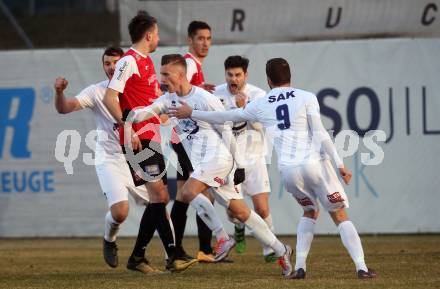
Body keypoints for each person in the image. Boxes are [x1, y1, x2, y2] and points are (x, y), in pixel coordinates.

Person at [169, 58, 378, 279]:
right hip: (314, 165)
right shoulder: (306, 97)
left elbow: (224, 117)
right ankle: (361, 267)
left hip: (289, 172)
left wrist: (192, 112)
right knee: (339, 214)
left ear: (268, 80)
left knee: (309, 212)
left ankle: (299, 267)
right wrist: (340, 164)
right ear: (290, 77)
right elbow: (320, 133)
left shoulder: (261, 103)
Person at [127, 54, 294, 278]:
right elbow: (147, 113)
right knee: (241, 212)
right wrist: (128, 118)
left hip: (219, 159)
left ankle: (223, 237)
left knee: (186, 192)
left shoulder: (204, 98)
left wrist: (239, 165)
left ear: (180, 74)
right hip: (204, 165)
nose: (162, 77)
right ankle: (281, 250)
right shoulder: (168, 100)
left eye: (166, 73)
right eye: (161, 72)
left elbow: (226, 130)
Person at [102, 11, 197, 273]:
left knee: (158, 197)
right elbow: (111, 97)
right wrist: (127, 127)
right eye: (156, 34)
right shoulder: (128, 62)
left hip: (150, 137)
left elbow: (151, 98)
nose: (158, 38)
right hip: (136, 139)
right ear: (148, 35)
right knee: (160, 194)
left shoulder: (145, 62)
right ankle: (173, 255)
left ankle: (137, 257)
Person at [54, 47, 160, 272]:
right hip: (110, 158)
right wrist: (59, 93)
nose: (111, 67)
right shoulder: (97, 92)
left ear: (125, 65)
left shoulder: (136, 89)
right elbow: (64, 108)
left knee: (159, 206)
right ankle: (109, 239)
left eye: (115, 63)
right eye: (107, 63)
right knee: (121, 211)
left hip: (136, 157)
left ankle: (150, 256)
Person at [214, 55, 276, 262]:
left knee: (261, 207)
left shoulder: (259, 95)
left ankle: (270, 248)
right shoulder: (217, 95)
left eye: (238, 75)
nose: (234, 79)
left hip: (255, 157)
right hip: (230, 161)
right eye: (230, 74)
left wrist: (245, 108)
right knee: (235, 213)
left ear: (245, 75)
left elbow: (261, 127)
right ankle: (239, 228)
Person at [170, 20, 216, 263]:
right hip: (186, 138)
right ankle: (205, 250)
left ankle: (178, 250)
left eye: (208, 38)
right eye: (200, 38)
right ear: (190, 40)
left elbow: (190, 93)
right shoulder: (188, 63)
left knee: (182, 193)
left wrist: (204, 89)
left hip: (182, 138)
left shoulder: (194, 65)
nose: (205, 43)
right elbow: (175, 92)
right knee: (202, 191)